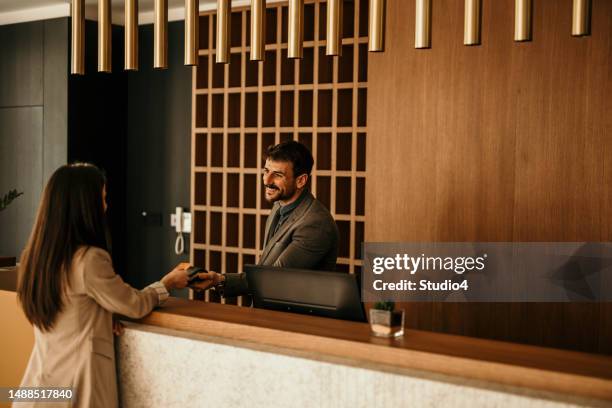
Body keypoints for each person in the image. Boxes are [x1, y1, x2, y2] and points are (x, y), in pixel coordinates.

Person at [16, 163, 189, 408]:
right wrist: (166, 284)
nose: (106, 207)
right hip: (75, 390)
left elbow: (71, 308)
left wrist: (101, 314)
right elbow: (135, 305)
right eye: (103, 198)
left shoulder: (35, 258)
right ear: (84, 205)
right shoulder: (88, 260)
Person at [191, 141, 339, 297]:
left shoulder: (315, 223)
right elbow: (266, 270)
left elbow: (272, 278)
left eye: (278, 175)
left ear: (301, 180)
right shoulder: (279, 206)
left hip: (294, 319)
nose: (267, 181)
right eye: (266, 171)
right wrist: (217, 279)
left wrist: (219, 279)